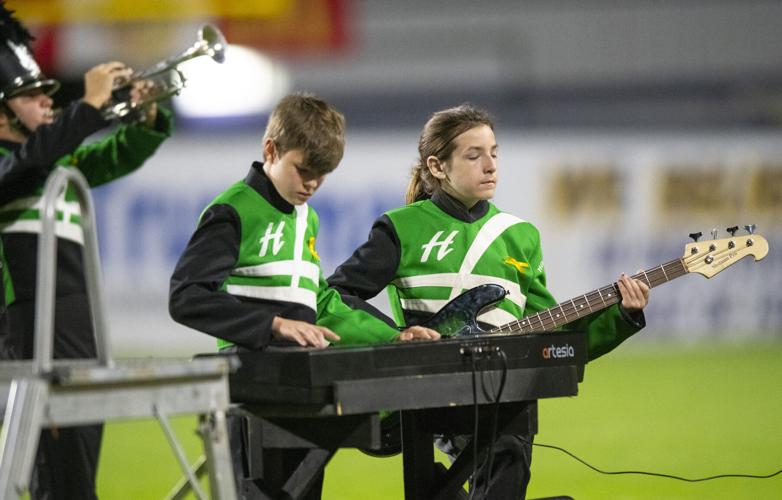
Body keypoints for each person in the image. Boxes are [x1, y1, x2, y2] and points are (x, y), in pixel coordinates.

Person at [327, 104, 650, 498]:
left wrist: (622, 316)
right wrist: (395, 336)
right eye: (474, 155)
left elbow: (556, 334)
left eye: (494, 153)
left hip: (505, 394)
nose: (490, 165)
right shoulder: (402, 228)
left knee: (497, 467)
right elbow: (338, 295)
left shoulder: (521, 236)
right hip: (432, 393)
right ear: (437, 166)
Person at [168, 92, 438, 499]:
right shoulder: (233, 211)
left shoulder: (304, 217)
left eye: (323, 174)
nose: (312, 183)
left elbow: (323, 302)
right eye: (304, 170)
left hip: (300, 389)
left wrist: (393, 337)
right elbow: (186, 296)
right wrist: (272, 325)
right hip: (251, 393)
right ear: (270, 149)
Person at [0, 3, 174, 498]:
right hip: (31, 330)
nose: (46, 102)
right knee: (59, 477)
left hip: (76, 329)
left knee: (78, 473)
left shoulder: (53, 165)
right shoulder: (18, 167)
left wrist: (146, 117)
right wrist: (89, 107)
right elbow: (29, 161)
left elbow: (116, 154)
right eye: (31, 95)